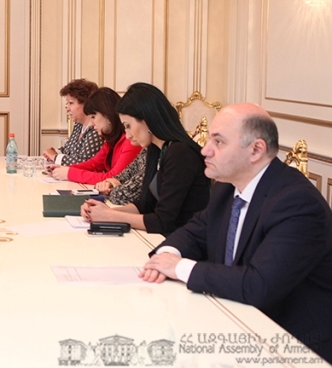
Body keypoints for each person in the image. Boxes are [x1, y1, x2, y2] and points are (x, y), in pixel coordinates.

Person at [140, 104, 332, 362]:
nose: (205, 150)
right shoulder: (228, 187)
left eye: (218, 142)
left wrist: (179, 267)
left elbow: (259, 285)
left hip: (290, 345)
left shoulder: (297, 202)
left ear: (256, 150)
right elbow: (195, 231)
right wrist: (165, 256)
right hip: (235, 320)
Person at [81, 83, 210, 235]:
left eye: (128, 126)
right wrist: (103, 212)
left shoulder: (180, 154)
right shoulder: (155, 149)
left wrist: (110, 216)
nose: (127, 135)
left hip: (185, 239)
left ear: (147, 119)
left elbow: (163, 221)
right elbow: (145, 205)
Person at [49, 87, 140, 183]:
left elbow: (114, 178)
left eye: (93, 117)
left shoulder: (130, 141)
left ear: (107, 115)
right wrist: (64, 169)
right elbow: (95, 164)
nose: (92, 124)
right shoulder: (112, 139)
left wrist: (69, 173)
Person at [42, 79, 102, 165]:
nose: (67, 108)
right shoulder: (79, 125)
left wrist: (54, 157)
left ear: (86, 104)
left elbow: (83, 162)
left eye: (71, 103)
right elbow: (68, 150)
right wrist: (55, 152)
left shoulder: (96, 129)